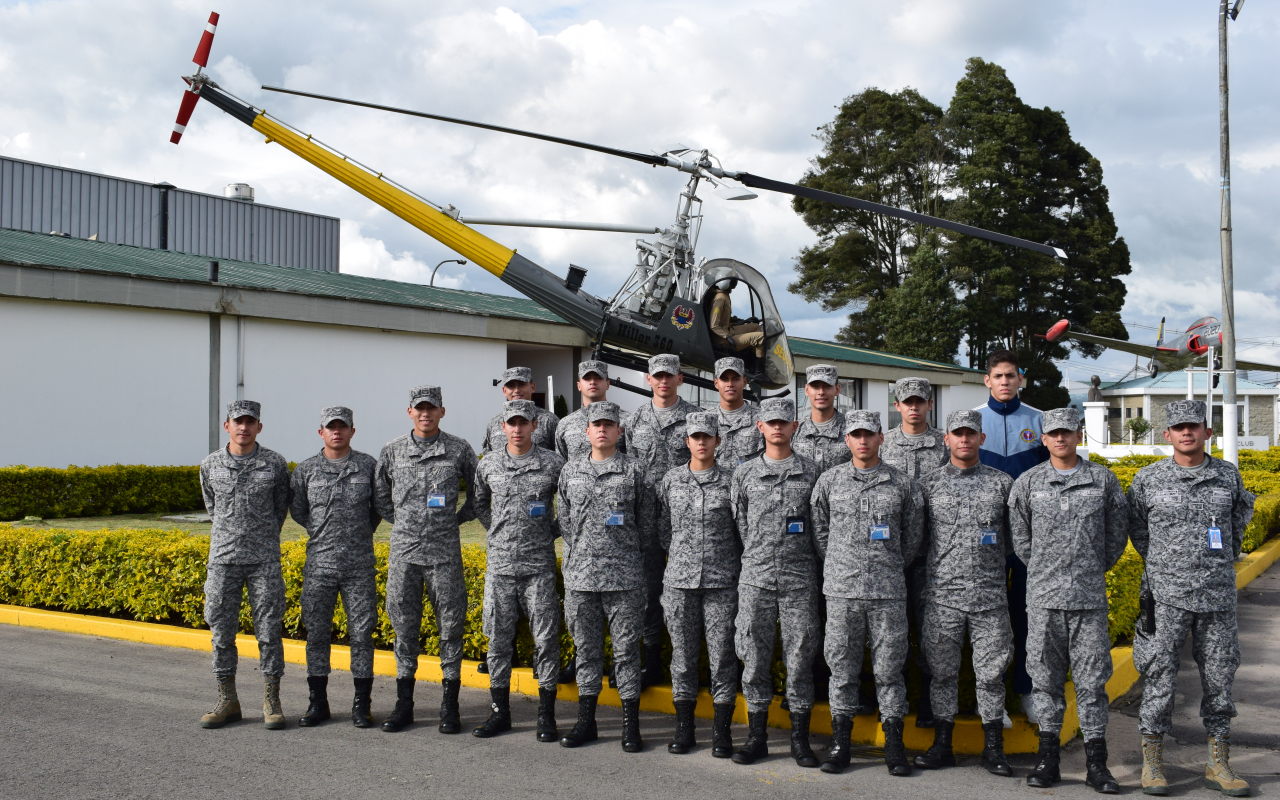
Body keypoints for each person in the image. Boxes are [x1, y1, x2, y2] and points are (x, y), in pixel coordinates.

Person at [1128, 400, 1255, 797]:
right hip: (1165, 597)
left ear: (1207, 432)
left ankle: (1218, 764)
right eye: (1179, 427)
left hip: (1216, 598)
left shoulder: (1227, 477)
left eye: (1194, 426)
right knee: (1159, 678)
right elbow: (1138, 530)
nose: (1187, 433)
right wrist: (1167, 566)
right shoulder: (1148, 480)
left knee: (1219, 680)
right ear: (1167, 434)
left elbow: (1236, 527)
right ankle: (1153, 763)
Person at [1009, 407, 1127, 793]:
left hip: (1088, 600)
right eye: (1053, 433)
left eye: (1068, 432)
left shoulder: (1102, 481)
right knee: (1045, 682)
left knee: (1092, 683)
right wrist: (1048, 571)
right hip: (1043, 601)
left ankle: (1097, 763)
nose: (1060, 439)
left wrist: (1088, 570)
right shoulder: (1027, 483)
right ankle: (1048, 759)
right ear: (1043, 439)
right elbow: (1021, 542)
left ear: (1079, 435)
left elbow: (1115, 537)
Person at [811, 410, 923, 776]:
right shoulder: (829, 482)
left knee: (890, 670)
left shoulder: (902, 484)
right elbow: (821, 533)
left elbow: (912, 539)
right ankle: (841, 744)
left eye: (869, 434)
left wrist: (886, 565)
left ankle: (894, 746)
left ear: (881, 438)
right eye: (856, 434)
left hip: (887, 591)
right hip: (842, 591)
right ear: (847, 440)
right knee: (841, 669)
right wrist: (844, 564)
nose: (863, 440)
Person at [914, 410, 1015, 776]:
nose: (964, 440)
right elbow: (915, 541)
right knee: (942, 673)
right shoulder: (927, 486)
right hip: (942, 597)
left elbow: (1013, 540)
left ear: (981, 439)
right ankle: (943, 744)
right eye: (957, 433)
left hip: (989, 598)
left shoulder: (1002, 484)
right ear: (947, 439)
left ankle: (994, 749)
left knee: (990, 674)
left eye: (971, 433)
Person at [374, 385, 478, 735]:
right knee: (404, 629)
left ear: (441, 412)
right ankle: (404, 704)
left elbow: (478, 496)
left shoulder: (459, 449)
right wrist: (405, 522)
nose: (425, 414)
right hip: (404, 554)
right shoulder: (392, 451)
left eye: (431, 408)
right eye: (419, 408)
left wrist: (453, 520)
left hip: (444, 554)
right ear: (409, 412)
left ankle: (450, 706)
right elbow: (380, 499)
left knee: (450, 628)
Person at [556, 401, 657, 752]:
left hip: (624, 578)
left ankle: (631, 726)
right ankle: (586, 722)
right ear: (586, 432)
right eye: (596, 424)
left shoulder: (635, 471)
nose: (602, 430)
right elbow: (565, 522)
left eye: (608, 425)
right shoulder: (570, 471)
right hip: (581, 578)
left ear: (619, 431)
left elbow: (647, 525)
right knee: (586, 651)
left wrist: (624, 554)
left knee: (627, 652)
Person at [730, 398, 823, 768]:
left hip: (800, 578)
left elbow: (820, 527)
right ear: (760, 427)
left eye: (784, 422)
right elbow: (741, 525)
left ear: (795, 426)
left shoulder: (813, 472)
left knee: (800, 658)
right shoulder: (744, 474)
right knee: (754, 659)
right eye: (771, 422)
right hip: (756, 578)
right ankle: (757, 737)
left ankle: (800, 740)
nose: (778, 428)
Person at [471, 399, 566, 742]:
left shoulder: (553, 464)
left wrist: (548, 532)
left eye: (523, 423)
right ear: (503, 427)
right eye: (511, 423)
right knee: (497, 641)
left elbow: (567, 506)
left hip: (538, 565)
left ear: (534, 426)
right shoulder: (489, 465)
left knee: (545, 640)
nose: (517, 428)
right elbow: (479, 502)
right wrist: (496, 529)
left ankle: (546, 715)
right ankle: (499, 713)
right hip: (500, 567)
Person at [198, 400, 292, 730]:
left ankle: (272, 700)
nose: (244, 427)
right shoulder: (210, 465)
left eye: (250, 422)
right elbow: (213, 507)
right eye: (238, 421)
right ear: (227, 426)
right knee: (221, 632)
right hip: (224, 559)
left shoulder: (275, 464)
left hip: (263, 560)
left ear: (259, 427)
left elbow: (280, 509)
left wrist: (260, 536)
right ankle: (228, 700)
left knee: (268, 631)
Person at [289, 406, 382, 729]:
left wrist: (356, 534)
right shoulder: (305, 471)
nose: (337, 432)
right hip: (320, 566)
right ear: (321, 432)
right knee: (316, 634)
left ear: (352, 431)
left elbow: (378, 509)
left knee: (362, 634)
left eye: (343, 427)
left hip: (359, 566)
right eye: (331, 427)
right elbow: (300, 512)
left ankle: (361, 704)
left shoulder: (368, 466)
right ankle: (318, 702)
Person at [656, 411, 740, 757]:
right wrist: (681, 556)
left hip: (722, 582)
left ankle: (721, 733)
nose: (702, 442)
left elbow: (743, 531)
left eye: (708, 436)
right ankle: (685, 729)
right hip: (679, 582)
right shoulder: (671, 481)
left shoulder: (733, 481)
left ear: (718, 441)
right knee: (684, 658)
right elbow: (662, 529)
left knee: (722, 657)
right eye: (696, 437)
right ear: (687, 441)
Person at [974, 350, 1049, 723]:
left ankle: (1026, 690)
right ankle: (991, 698)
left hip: (1028, 538)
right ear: (986, 380)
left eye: (1011, 376)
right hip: (984, 536)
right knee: (988, 618)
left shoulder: (1040, 421)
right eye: (997, 376)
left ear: (1021, 379)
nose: (1004, 382)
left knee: (1026, 614)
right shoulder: (971, 422)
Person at [624, 354, 702, 689]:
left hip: (688, 519)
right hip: (646, 520)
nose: (663, 381)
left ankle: (697, 664)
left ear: (680, 379)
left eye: (670, 376)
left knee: (694, 590)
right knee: (648, 589)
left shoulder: (695, 418)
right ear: (648, 379)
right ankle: (652, 660)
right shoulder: (634, 420)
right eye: (657, 376)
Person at [880, 376, 950, 727]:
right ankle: (893, 695)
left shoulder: (945, 444)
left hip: (933, 553)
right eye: (906, 401)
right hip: (889, 554)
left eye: (919, 401)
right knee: (890, 630)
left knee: (930, 630)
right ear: (896, 405)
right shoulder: (883, 444)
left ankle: (926, 700)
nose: (913, 407)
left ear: (929, 404)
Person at [556, 360, 625, 462]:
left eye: (599, 378)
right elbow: (561, 464)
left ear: (608, 384)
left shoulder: (627, 421)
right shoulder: (565, 424)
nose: (593, 382)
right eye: (587, 378)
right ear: (579, 385)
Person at [481, 367, 560, 455]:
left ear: (532, 387)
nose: (517, 390)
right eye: (511, 386)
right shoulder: (494, 423)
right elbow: (488, 458)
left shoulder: (549, 421)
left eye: (522, 384)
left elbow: (561, 458)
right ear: (504, 391)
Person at [791, 364, 852, 475]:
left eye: (827, 386)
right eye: (815, 386)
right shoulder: (794, 430)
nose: (821, 392)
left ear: (837, 390)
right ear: (806, 390)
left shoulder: (851, 428)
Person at [713, 357, 763, 468]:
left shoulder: (762, 418)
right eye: (724, 379)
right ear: (716, 383)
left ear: (744, 382)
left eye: (735, 379)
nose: (730, 384)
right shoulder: (707, 419)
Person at [708, 277, 764, 359]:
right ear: (726, 284)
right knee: (761, 336)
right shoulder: (720, 299)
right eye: (733, 281)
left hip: (728, 330)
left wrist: (739, 320)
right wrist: (727, 337)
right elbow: (714, 325)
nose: (735, 283)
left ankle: (754, 355)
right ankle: (758, 369)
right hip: (722, 338)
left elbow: (723, 317)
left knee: (756, 326)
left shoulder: (724, 295)